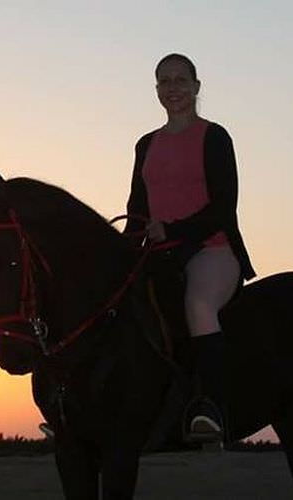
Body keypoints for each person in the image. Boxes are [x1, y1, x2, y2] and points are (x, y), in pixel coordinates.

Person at [123, 53, 255, 439]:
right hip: (160, 253)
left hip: (211, 249)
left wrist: (175, 231)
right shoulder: (146, 143)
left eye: (181, 80)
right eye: (165, 81)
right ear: (157, 90)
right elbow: (137, 209)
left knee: (197, 305)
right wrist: (125, 248)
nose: (173, 88)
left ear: (197, 87)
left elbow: (223, 206)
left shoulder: (214, 136)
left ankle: (212, 408)